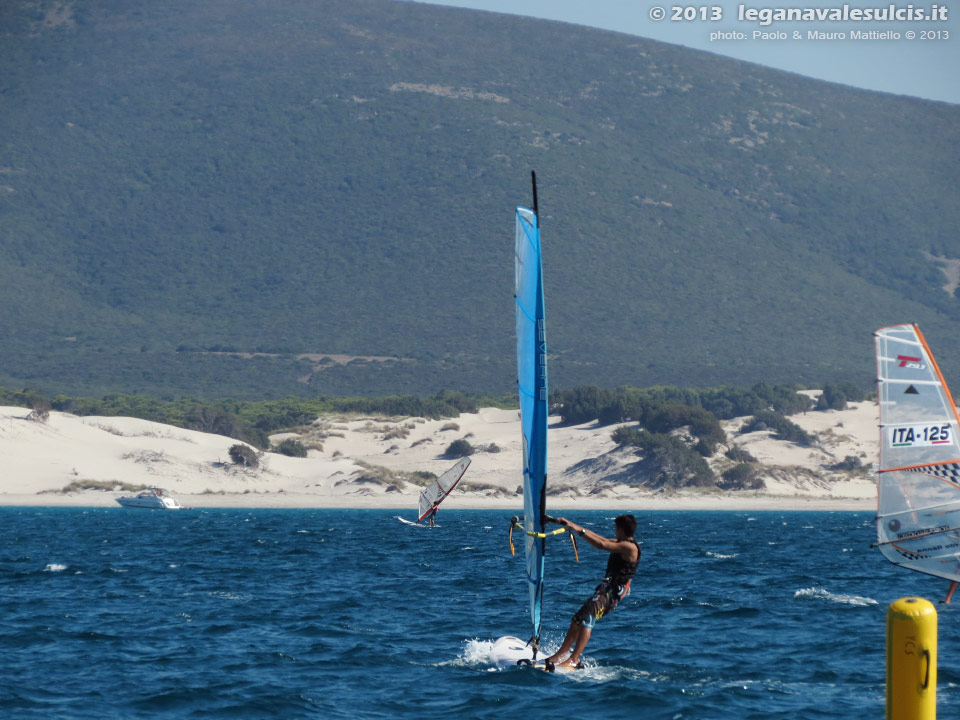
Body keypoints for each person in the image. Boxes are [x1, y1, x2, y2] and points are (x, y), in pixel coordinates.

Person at [544, 514, 640, 671]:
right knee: (577, 619)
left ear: (620, 529)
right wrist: (572, 525)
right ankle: (560, 655)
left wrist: (577, 529)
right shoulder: (621, 542)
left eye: (615, 528)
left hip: (611, 595)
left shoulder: (629, 547)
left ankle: (574, 660)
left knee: (587, 620)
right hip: (604, 591)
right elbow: (600, 538)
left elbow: (601, 545)